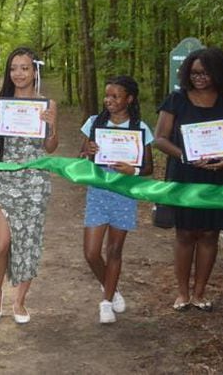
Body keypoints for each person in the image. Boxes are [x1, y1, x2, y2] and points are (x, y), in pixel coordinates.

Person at [153, 47, 223, 312]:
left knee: (209, 234)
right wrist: (184, 155)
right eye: (194, 73)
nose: (199, 78)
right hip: (185, 173)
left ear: (218, 74)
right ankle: (182, 293)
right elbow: (160, 138)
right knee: (185, 233)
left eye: (205, 73)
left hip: (221, 175)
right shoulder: (177, 100)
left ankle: (200, 292)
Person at [0, 47, 58, 324]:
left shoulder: (47, 104)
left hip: (35, 182)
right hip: (6, 179)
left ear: (34, 70)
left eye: (25, 68)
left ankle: (20, 300)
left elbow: (50, 147)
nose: (19, 73)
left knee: (28, 242)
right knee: (1, 244)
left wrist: (51, 128)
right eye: (14, 68)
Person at [78, 76, 154, 324]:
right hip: (98, 192)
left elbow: (148, 167)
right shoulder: (94, 123)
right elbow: (83, 157)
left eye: (115, 96)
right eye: (107, 95)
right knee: (91, 252)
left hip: (124, 194)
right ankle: (111, 286)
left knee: (114, 250)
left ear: (129, 99)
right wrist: (87, 151)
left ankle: (107, 302)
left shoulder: (140, 127)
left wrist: (131, 170)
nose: (109, 101)